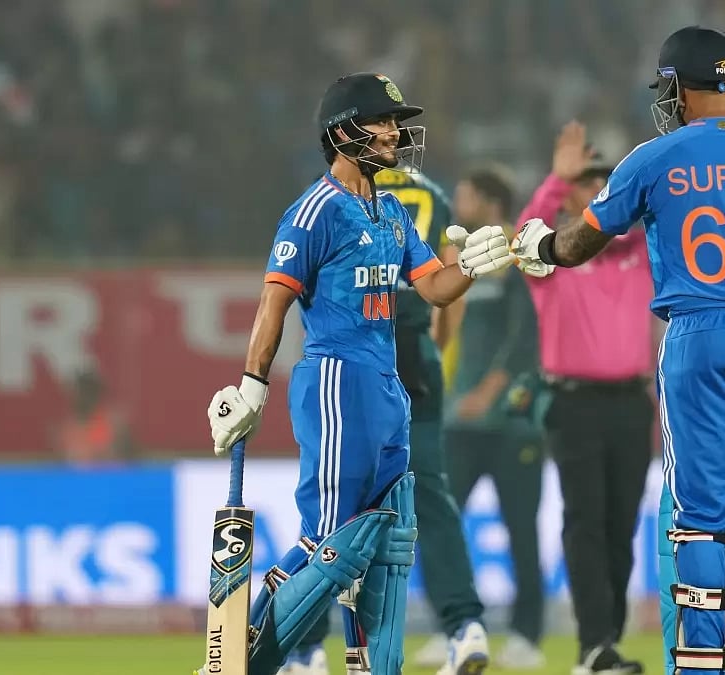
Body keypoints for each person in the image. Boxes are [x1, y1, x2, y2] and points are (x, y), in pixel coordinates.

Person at [511, 26, 725, 675]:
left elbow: (584, 242)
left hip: (697, 337)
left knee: (700, 517)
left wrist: (540, 248)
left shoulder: (651, 159)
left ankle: (701, 664)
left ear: (675, 88)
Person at [198, 72, 515, 675]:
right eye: (383, 121)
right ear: (343, 133)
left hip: (389, 387)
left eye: (397, 121)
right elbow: (274, 301)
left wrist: (470, 264)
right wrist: (252, 386)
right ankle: (238, 657)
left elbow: (435, 288)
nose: (397, 132)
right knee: (330, 545)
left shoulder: (392, 211)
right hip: (337, 384)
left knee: (390, 543)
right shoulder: (314, 211)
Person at [284, 166, 494, 675]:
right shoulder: (430, 190)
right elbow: (447, 290)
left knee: (331, 504)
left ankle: (306, 644)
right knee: (428, 497)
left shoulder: (329, 196)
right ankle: (463, 626)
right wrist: (432, 352)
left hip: (354, 353)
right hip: (412, 357)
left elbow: (299, 287)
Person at [514, 123, 654, 675]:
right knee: (586, 523)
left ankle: (605, 646)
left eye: (606, 184)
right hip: (573, 405)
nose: (598, 192)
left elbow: (668, 216)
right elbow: (525, 235)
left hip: (630, 404)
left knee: (620, 528)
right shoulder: (553, 258)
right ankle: (593, 647)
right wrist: (555, 179)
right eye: (588, 184)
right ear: (572, 195)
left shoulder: (640, 251)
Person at [445, 167, 547, 670]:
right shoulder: (463, 257)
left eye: (463, 194)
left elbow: (526, 335)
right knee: (442, 523)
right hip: (458, 422)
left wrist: (489, 391)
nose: (456, 202)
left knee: (521, 530)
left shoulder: (518, 254)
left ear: (489, 202)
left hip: (511, 423)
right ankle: (459, 628)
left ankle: (527, 635)